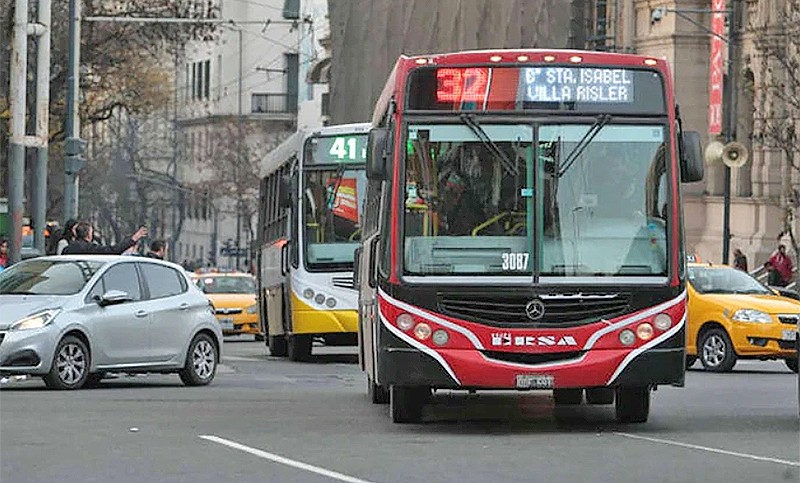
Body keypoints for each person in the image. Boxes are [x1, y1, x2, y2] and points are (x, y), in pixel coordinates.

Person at [63, 222, 148, 255]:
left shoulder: (66, 249)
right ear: (88, 235)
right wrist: (133, 239)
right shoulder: (89, 249)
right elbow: (113, 250)